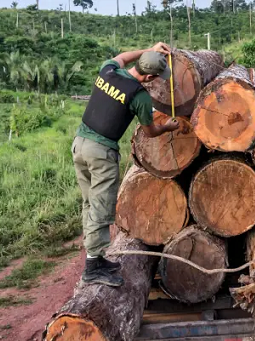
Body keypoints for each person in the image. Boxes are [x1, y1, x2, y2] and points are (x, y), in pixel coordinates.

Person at [73, 43, 180, 287]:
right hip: (101, 152)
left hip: (80, 144)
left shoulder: (108, 71)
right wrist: (168, 127)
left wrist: (147, 50)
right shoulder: (138, 95)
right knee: (101, 206)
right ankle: (92, 267)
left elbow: (120, 57)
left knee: (90, 202)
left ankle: (95, 257)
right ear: (151, 76)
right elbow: (150, 131)